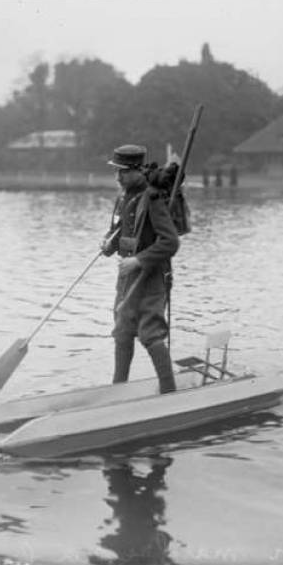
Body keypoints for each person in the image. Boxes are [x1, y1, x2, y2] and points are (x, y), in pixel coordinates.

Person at [100, 144, 179, 394]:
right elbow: (120, 231)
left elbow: (170, 242)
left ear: (136, 171)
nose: (118, 177)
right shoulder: (124, 198)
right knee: (122, 331)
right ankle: (118, 390)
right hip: (127, 277)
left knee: (149, 333)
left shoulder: (153, 198)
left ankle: (169, 391)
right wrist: (108, 244)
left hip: (152, 277)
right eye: (116, 172)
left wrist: (139, 260)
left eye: (122, 172)